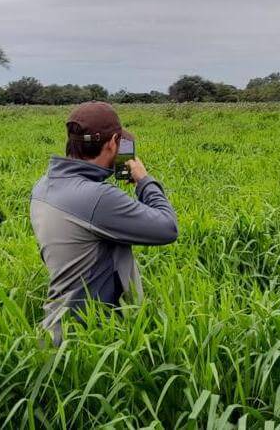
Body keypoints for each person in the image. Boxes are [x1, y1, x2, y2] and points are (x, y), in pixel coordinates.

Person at [30, 101, 178, 345]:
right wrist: (144, 181)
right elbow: (167, 228)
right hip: (88, 338)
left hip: (57, 328)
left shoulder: (44, 185)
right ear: (112, 144)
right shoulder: (98, 198)